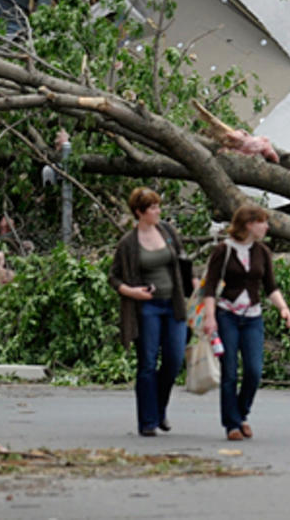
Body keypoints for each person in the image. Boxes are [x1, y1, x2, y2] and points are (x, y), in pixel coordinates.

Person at [201, 204, 290, 441]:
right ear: (249, 224)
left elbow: (270, 286)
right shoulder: (223, 250)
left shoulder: (262, 251)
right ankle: (232, 424)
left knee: (254, 370)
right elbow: (209, 287)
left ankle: (242, 413)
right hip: (227, 315)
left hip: (252, 317)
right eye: (262, 222)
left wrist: (284, 308)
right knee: (230, 372)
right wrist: (210, 317)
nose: (266, 227)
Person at [109, 187, 189, 437]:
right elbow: (113, 277)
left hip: (173, 304)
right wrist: (132, 292)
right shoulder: (128, 243)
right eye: (152, 208)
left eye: (157, 207)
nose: (158, 211)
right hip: (147, 308)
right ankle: (147, 421)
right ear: (139, 212)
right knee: (147, 362)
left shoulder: (167, 232)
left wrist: (193, 286)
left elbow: (182, 261)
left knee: (174, 360)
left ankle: (160, 408)